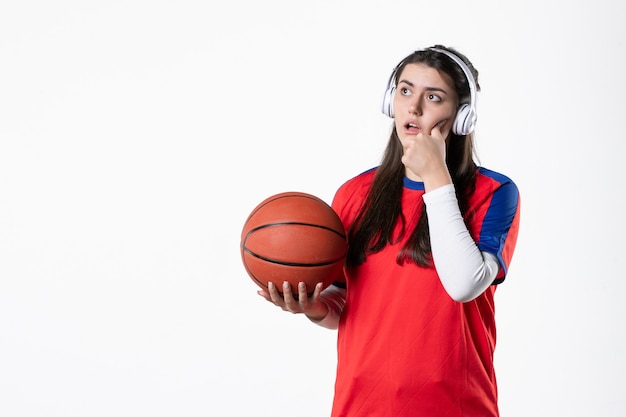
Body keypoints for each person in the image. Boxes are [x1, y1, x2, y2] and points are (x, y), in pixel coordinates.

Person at [258, 45, 521, 417]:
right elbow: (345, 304)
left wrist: (435, 177)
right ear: (390, 100)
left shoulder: (493, 193)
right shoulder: (354, 194)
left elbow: (464, 283)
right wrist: (315, 308)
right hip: (361, 406)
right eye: (405, 90)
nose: (413, 108)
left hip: (455, 408)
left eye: (433, 97)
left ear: (462, 117)